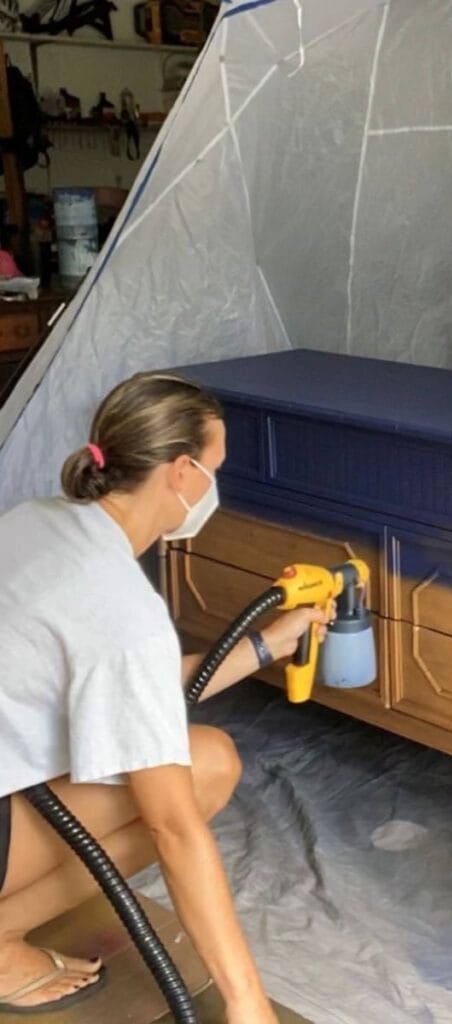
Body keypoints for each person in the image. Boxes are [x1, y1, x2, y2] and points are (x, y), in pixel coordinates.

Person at [0, 372, 332, 1021]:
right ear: (181, 473)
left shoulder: (35, 521)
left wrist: (268, 645)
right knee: (206, 767)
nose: (214, 485)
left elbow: (123, 678)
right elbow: (173, 827)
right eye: (215, 468)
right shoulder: (124, 608)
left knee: (196, 756)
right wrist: (247, 1004)